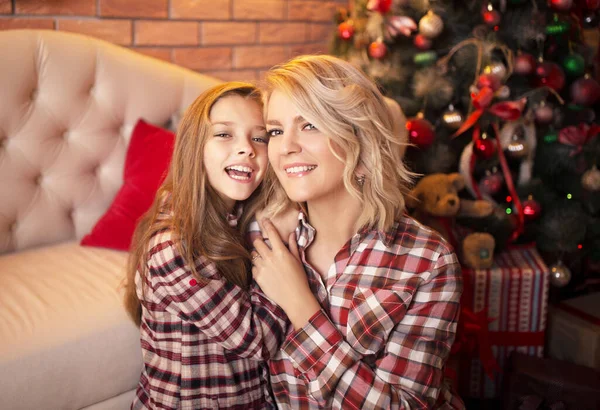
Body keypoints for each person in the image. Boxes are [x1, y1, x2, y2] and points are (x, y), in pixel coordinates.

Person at [251, 55, 465, 409]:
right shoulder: (268, 241)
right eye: (276, 130)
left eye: (309, 125)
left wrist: (300, 305)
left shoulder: (427, 261)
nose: (285, 146)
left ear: (360, 141)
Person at [123, 82, 288, 410]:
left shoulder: (240, 217)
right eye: (225, 134)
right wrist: (285, 250)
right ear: (194, 146)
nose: (247, 149)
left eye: (259, 137)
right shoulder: (175, 247)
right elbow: (258, 339)